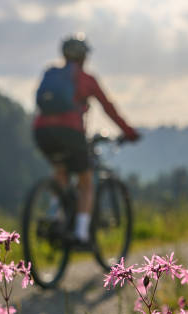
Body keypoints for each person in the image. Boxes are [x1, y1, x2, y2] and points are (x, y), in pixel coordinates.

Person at [33, 33, 139, 247]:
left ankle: (55, 218)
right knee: (86, 181)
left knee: (61, 173)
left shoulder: (51, 73)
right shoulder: (86, 79)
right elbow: (109, 108)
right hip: (70, 131)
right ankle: (81, 234)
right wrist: (129, 132)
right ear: (84, 57)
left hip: (42, 130)